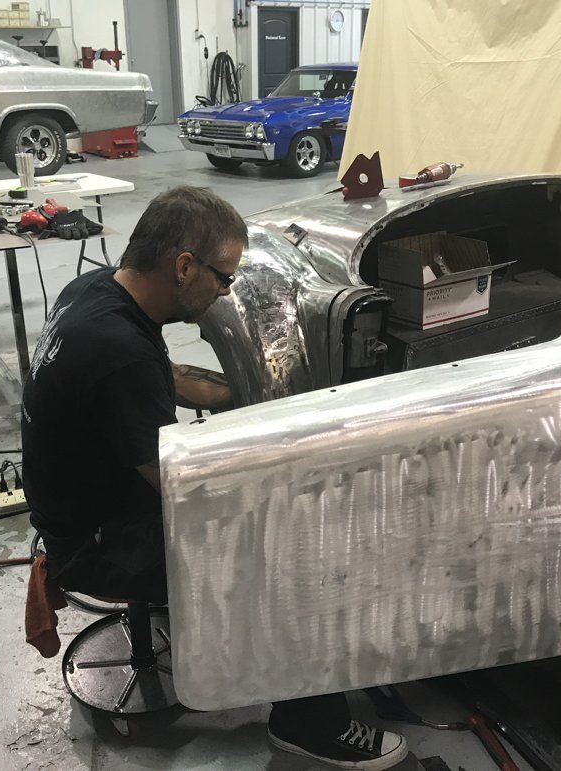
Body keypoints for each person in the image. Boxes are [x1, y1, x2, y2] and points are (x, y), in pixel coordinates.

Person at [22, 186, 407, 770]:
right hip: (99, 544)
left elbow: (166, 376)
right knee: (293, 553)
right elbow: (184, 495)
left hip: (80, 506)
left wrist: (245, 398)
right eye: (224, 277)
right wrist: (288, 489)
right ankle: (308, 723)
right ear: (183, 267)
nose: (226, 291)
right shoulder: (118, 354)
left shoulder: (97, 292)